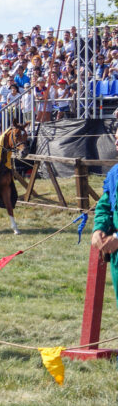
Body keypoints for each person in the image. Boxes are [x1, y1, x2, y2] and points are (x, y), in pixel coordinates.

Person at [92, 128, 118, 307]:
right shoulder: (115, 173)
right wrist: (98, 229)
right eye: (116, 138)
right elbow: (105, 205)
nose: (116, 143)